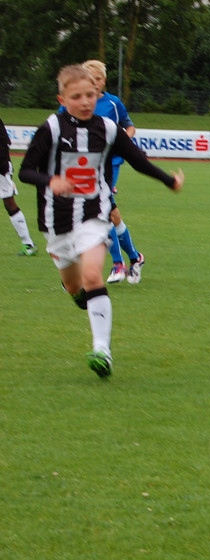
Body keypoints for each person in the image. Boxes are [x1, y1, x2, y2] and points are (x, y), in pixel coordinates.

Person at [19, 64, 183, 378]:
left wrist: (168, 180)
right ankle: (77, 293)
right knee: (74, 286)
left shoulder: (107, 128)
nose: (85, 102)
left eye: (90, 95)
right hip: (56, 222)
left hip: (94, 214)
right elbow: (25, 171)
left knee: (94, 276)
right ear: (62, 99)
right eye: (76, 97)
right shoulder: (51, 128)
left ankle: (102, 351)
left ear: (98, 94)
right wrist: (50, 180)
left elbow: (137, 160)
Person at [81, 59, 146, 283]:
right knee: (111, 215)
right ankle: (135, 258)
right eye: (90, 79)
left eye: (98, 79)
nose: (94, 83)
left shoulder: (113, 103)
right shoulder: (77, 102)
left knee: (103, 211)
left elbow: (130, 126)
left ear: (104, 80)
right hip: (85, 166)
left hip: (111, 164)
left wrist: (122, 140)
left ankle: (118, 264)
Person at [1, 117, 37, 256]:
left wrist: (3, 168)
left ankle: (28, 244)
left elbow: (4, 144)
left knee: (9, 203)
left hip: (1, 169)